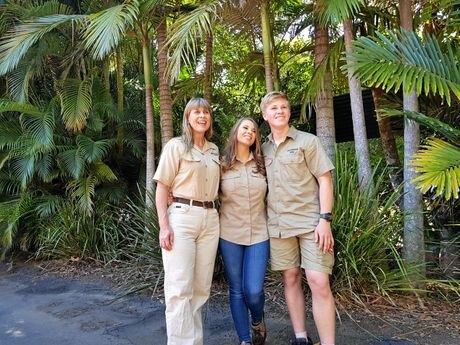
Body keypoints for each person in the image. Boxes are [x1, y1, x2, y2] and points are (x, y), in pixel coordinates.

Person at [260, 91, 336, 345]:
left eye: (283, 107)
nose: (279, 111)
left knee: (318, 281)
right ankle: (300, 337)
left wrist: (325, 219)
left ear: (289, 112)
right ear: (265, 115)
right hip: (279, 226)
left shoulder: (308, 141)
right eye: (274, 108)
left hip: (311, 223)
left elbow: (324, 179)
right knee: (290, 278)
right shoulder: (263, 148)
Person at [153, 97, 220, 345]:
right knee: (180, 288)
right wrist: (164, 226)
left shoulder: (213, 150)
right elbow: (162, 188)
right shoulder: (176, 146)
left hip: (210, 219)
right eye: (196, 112)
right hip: (182, 217)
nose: (202, 116)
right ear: (187, 117)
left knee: (201, 289)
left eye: (206, 112)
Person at [219, 118, 270, 345]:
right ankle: (245, 340)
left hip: (259, 233)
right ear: (235, 132)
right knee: (237, 290)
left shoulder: (263, 164)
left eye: (253, 129)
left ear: (256, 137)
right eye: (244, 127)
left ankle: (257, 320)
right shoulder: (221, 165)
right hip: (229, 234)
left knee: (253, 291)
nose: (249, 132)